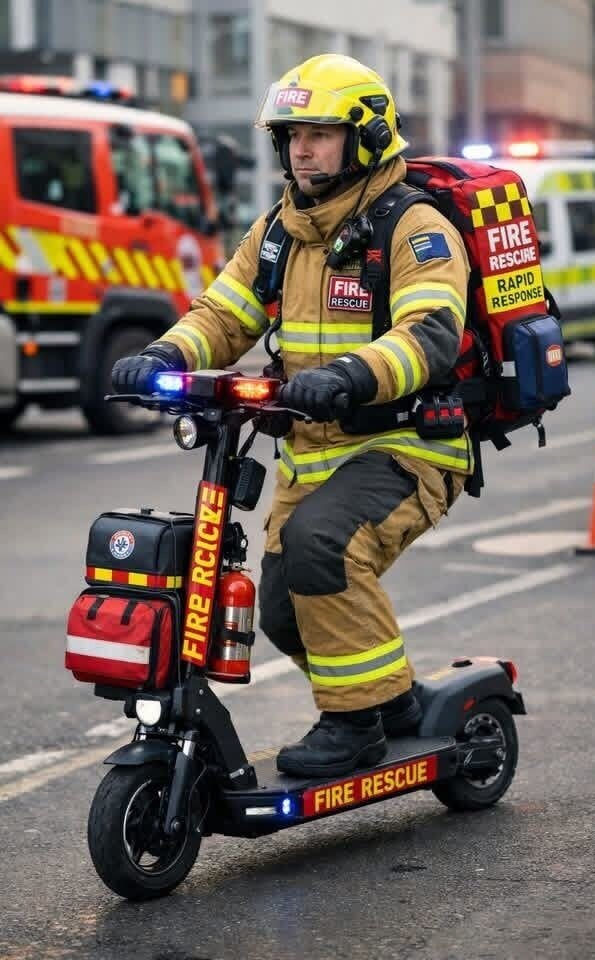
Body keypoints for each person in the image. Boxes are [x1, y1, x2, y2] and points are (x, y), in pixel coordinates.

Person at [111, 54, 473, 778]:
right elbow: (223, 313)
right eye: (290, 134)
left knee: (322, 549)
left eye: (319, 133)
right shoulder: (281, 230)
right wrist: (161, 356)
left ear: (365, 138)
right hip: (313, 454)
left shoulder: (413, 226)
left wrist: (348, 374)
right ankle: (391, 702)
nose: (301, 148)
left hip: (406, 447)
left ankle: (353, 724)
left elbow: (431, 332)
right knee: (278, 608)